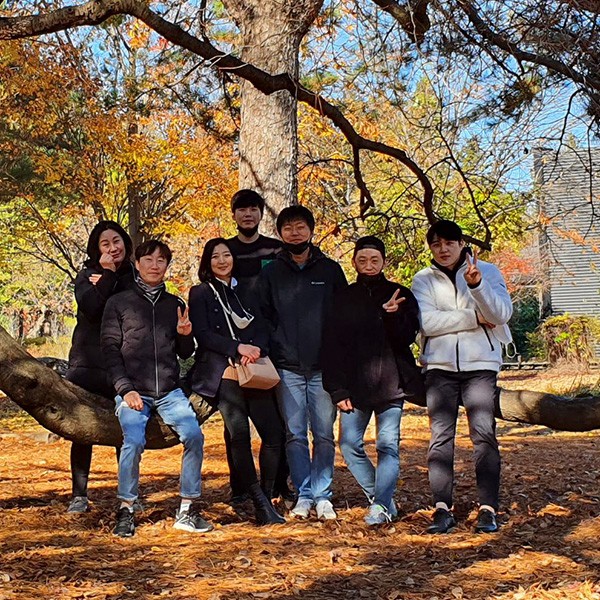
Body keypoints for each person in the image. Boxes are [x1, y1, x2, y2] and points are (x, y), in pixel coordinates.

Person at [101, 240, 212, 537]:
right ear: (137, 264)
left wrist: (186, 336)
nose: (154, 265)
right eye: (147, 259)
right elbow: (109, 350)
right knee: (133, 441)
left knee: (194, 435)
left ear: (166, 266)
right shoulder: (119, 303)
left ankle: (187, 509)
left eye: (160, 260)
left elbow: (185, 353)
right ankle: (126, 509)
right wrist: (125, 390)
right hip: (132, 390)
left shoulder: (174, 304)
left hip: (169, 392)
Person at [411, 220, 513, 534]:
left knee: (483, 434)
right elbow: (427, 324)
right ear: (430, 247)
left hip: (481, 365)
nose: (443, 249)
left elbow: (500, 316)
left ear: (460, 244)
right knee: (440, 438)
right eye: (436, 244)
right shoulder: (422, 280)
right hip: (439, 367)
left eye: (449, 243)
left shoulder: (489, 271)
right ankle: (442, 508)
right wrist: (473, 318)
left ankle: (487, 509)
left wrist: (477, 286)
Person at [322, 236, 422, 525]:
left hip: (391, 384)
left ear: (384, 262)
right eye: (362, 259)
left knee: (387, 446)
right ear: (354, 262)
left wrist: (392, 316)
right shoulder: (343, 297)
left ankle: (379, 506)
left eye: (374, 259)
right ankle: (384, 500)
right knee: (350, 444)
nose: (368, 264)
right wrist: (337, 388)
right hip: (353, 387)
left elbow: (407, 338)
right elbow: (332, 346)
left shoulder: (400, 293)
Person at [187, 237, 285, 526]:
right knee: (238, 435)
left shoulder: (247, 290)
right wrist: (236, 348)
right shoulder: (201, 293)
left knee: (273, 434)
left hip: (254, 368)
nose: (222, 260)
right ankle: (255, 498)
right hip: (224, 371)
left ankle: (266, 496)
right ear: (207, 262)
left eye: (226, 255)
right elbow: (202, 334)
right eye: (215, 256)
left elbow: (263, 325)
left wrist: (256, 350)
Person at [259, 205, 347, 520]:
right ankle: (304, 495)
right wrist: (272, 350)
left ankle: (324, 496)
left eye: (300, 227)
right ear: (281, 232)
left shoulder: (330, 270)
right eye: (288, 228)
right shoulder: (271, 272)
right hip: (287, 367)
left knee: (324, 433)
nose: (295, 233)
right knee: (294, 434)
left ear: (310, 230)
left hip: (324, 368)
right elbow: (262, 316)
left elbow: (343, 319)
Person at [224, 189, 293, 506]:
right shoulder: (226, 251)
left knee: (279, 422)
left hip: (272, 345)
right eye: (242, 210)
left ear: (260, 214)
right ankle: (239, 489)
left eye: (253, 209)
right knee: (234, 425)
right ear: (234, 215)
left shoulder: (276, 250)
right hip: (234, 348)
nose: (248, 215)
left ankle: (280, 486)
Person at [65, 220, 135, 513]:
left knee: (125, 428)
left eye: (116, 241)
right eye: (104, 244)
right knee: (83, 432)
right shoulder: (86, 275)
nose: (112, 248)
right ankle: (79, 495)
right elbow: (91, 308)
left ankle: (128, 494)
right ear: (96, 249)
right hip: (87, 365)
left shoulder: (136, 275)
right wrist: (106, 274)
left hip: (124, 364)